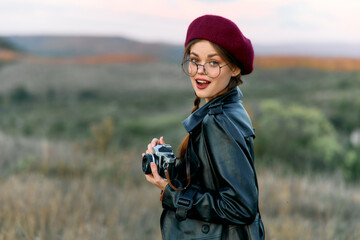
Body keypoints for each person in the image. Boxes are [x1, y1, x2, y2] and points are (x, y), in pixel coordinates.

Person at [142, 14, 265, 240]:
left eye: (213, 62)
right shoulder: (232, 108)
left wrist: (170, 192)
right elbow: (215, 181)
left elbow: (240, 206)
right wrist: (171, 170)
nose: (200, 70)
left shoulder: (218, 121)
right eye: (194, 59)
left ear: (235, 68)